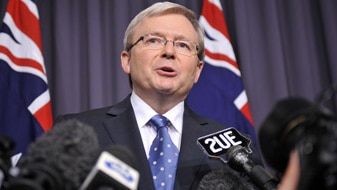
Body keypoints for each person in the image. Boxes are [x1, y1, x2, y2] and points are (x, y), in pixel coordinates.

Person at [56, 2, 261, 189]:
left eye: (183, 45)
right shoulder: (75, 131)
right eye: (154, 40)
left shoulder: (233, 146)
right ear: (127, 60)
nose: (169, 52)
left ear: (198, 70)